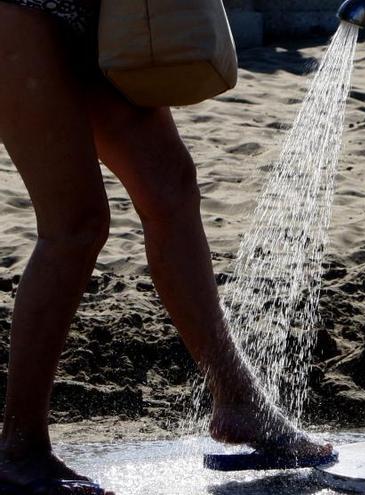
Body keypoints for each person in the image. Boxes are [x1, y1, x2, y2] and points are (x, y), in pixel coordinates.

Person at [0, 1, 332, 493]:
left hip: (93, 11)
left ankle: (236, 397)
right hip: (22, 11)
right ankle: (19, 449)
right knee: (75, 224)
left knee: (169, 186)